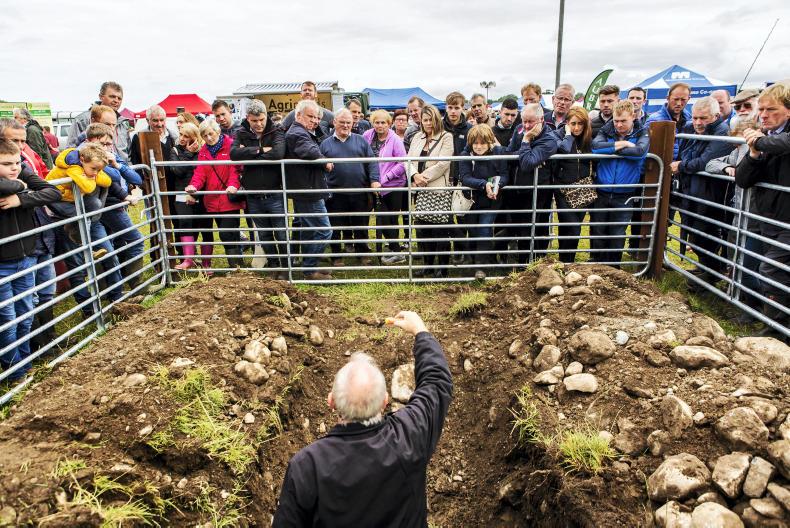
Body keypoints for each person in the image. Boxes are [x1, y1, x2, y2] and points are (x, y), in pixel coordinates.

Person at [273, 310, 452, 527]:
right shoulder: (410, 436)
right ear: (385, 401)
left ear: (331, 401)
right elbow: (436, 383)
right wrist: (420, 331)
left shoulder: (306, 466)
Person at [0, 139, 61, 381]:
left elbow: (53, 191)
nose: (15, 167)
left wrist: (21, 198)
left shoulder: (20, 174)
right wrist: (21, 186)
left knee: (25, 314)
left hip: (25, 257)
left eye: (17, 162)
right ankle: (15, 372)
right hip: (2, 264)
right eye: (7, 164)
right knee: (8, 319)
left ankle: (24, 364)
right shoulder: (18, 180)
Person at [736, 82, 790, 334]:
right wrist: (754, 154)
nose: (764, 115)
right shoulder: (765, 137)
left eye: (771, 109)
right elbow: (742, 179)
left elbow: (782, 143)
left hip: (786, 220)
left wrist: (759, 141)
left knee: (772, 270)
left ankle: (777, 329)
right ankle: (773, 322)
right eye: (762, 109)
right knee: (761, 267)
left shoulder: (772, 138)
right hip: (768, 216)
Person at [672, 96, 732, 289]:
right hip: (691, 190)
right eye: (695, 117)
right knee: (694, 232)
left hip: (710, 194)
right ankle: (706, 267)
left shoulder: (722, 132)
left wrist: (682, 166)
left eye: (703, 118)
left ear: (716, 116)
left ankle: (712, 273)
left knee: (705, 233)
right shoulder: (691, 129)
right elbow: (684, 153)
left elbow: (706, 162)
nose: (698, 122)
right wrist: (685, 164)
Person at [706, 119, 762, 323]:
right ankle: (740, 299)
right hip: (739, 213)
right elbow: (711, 164)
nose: (739, 144)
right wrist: (726, 167)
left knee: (749, 265)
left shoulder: (761, 152)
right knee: (735, 258)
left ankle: (754, 308)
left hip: (756, 217)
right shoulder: (737, 152)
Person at [230, 99, 288, 279]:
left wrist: (248, 153)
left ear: (266, 116)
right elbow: (234, 154)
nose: (259, 124)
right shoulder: (241, 132)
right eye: (254, 120)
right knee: (264, 234)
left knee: (281, 233)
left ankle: (286, 268)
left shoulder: (276, 130)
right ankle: (274, 266)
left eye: (261, 119)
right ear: (248, 118)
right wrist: (261, 150)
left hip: (274, 191)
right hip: (253, 194)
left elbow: (278, 153)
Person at [590, 100, 649, 268]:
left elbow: (639, 152)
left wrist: (611, 148)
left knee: (617, 231)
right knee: (598, 229)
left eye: (623, 121)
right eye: (616, 120)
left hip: (625, 192)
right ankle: (597, 264)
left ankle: (613, 267)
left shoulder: (642, 132)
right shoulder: (606, 129)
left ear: (633, 116)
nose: (619, 125)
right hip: (602, 189)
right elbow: (595, 147)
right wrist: (622, 144)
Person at [320, 109, 380, 267]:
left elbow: (372, 161)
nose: (346, 125)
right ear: (334, 122)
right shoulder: (325, 144)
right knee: (335, 226)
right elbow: (319, 168)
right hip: (335, 193)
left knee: (361, 224)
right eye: (342, 122)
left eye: (349, 122)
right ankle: (336, 256)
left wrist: (374, 180)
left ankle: (362, 254)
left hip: (359, 191)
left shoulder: (361, 141)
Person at [185, 119, 245, 270]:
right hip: (212, 199)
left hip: (228, 196)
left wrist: (233, 185)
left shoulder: (230, 145)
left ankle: (237, 266)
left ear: (217, 131)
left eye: (211, 134)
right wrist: (194, 185)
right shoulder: (204, 151)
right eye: (205, 135)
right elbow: (200, 172)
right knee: (228, 234)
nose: (209, 138)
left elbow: (235, 169)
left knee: (227, 233)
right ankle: (237, 266)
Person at [284, 99, 334, 280]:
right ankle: (310, 268)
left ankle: (309, 267)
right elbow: (310, 151)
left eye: (317, 118)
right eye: (310, 116)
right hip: (308, 190)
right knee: (324, 230)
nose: (315, 121)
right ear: (298, 115)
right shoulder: (297, 133)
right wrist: (325, 162)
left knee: (309, 230)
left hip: (307, 187)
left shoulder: (301, 131)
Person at [504, 103, 558, 266]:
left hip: (538, 190)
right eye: (524, 121)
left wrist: (526, 141)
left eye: (530, 122)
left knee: (536, 227)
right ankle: (524, 264)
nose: (526, 126)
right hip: (518, 187)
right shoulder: (519, 129)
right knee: (520, 227)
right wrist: (525, 155)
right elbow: (509, 154)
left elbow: (527, 163)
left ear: (541, 119)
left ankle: (536, 264)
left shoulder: (549, 139)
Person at [407, 104, 454, 278]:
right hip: (419, 191)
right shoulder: (417, 137)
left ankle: (442, 269)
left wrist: (422, 178)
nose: (428, 123)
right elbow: (408, 160)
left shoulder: (446, 137)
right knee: (423, 230)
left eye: (431, 120)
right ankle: (428, 266)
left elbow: (443, 163)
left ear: (437, 120)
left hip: (437, 190)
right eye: (425, 120)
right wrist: (414, 175)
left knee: (440, 230)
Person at [459, 124, 509, 280]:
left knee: (484, 229)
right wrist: (484, 184)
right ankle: (473, 261)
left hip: (491, 200)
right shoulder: (465, 154)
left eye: (482, 143)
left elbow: (504, 174)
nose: (479, 147)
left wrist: (496, 185)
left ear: (490, 142)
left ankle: (481, 267)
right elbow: (465, 177)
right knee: (473, 230)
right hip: (471, 200)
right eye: (475, 143)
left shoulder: (499, 153)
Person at [363, 109, 407, 264]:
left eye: (383, 122)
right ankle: (393, 249)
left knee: (391, 219)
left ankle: (396, 251)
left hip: (393, 185)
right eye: (377, 122)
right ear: (372, 123)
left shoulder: (395, 139)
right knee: (382, 218)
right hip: (374, 185)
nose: (380, 125)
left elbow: (402, 163)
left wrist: (385, 178)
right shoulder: (367, 136)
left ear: (389, 124)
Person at [553, 106, 595, 264]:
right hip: (563, 188)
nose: (577, 128)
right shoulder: (558, 135)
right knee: (571, 225)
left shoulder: (588, 138)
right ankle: (564, 260)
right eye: (573, 123)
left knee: (574, 227)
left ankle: (568, 261)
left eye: (580, 124)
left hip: (583, 187)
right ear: (567, 123)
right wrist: (568, 135)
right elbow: (562, 150)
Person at [170, 123, 214, 271]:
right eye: (181, 134)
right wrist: (188, 153)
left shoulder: (204, 150)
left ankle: (206, 263)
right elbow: (177, 171)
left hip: (202, 192)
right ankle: (188, 260)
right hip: (182, 193)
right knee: (185, 223)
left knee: (206, 227)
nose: (182, 138)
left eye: (187, 136)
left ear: (195, 137)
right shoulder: (175, 150)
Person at [66, 81, 132, 161]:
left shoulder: (123, 124)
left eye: (119, 98)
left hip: (120, 167)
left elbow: (128, 154)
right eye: (112, 96)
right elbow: (70, 151)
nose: (116, 100)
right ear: (101, 97)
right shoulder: (82, 120)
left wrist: (125, 167)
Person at [443, 92, 473, 262]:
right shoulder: (440, 126)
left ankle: (461, 250)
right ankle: (449, 248)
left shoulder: (469, 129)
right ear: (446, 108)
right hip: (444, 177)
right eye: (450, 107)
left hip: (463, 178)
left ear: (463, 108)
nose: (453, 111)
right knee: (445, 217)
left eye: (457, 107)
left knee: (462, 215)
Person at [647, 82, 692, 159]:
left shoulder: (690, 119)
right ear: (668, 98)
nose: (679, 103)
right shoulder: (654, 120)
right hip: (662, 164)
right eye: (676, 99)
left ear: (688, 99)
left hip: (683, 164)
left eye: (683, 100)